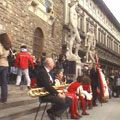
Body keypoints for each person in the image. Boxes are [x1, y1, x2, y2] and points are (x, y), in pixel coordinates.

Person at [0, 33, 11, 103]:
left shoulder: (1, 45)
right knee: (4, 83)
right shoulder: (8, 46)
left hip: (0, 64)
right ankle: (4, 98)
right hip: (6, 65)